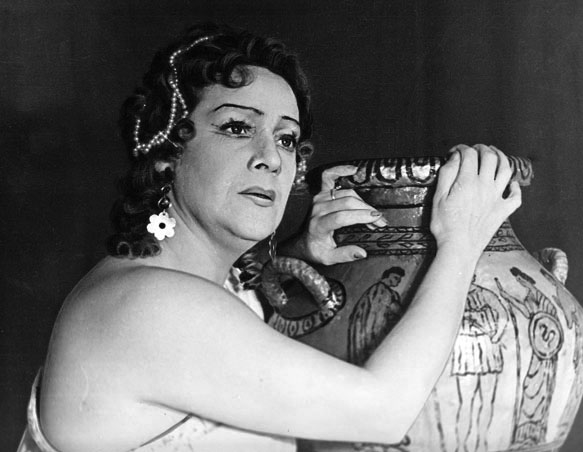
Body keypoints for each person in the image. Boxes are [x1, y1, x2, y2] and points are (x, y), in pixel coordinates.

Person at [18, 22, 521, 452]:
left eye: (286, 138)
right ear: (168, 153)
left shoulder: (174, 285)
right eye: (238, 127)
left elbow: (232, 324)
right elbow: (385, 412)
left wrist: (300, 254)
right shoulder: (149, 306)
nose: (272, 158)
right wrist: (461, 241)